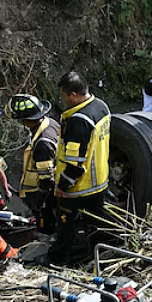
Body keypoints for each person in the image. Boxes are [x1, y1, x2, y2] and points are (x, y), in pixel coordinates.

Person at [51, 71, 111, 265]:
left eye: (65, 96)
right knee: (96, 224)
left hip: (79, 188)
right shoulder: (101, 107)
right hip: (100, 181)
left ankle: (61, 262)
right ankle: (99, 257)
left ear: (74, 94)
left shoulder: (79, 121)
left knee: (66, 226)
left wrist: (62, 186)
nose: (64, 99)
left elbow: (75, 163)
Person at [7, 94, 59, 223]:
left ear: (27, 120)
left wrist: (39, 202)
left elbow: (46, 180)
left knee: (47, 222)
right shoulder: (50, 123)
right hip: (55, 185)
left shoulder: (43, 143)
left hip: (45, 193)